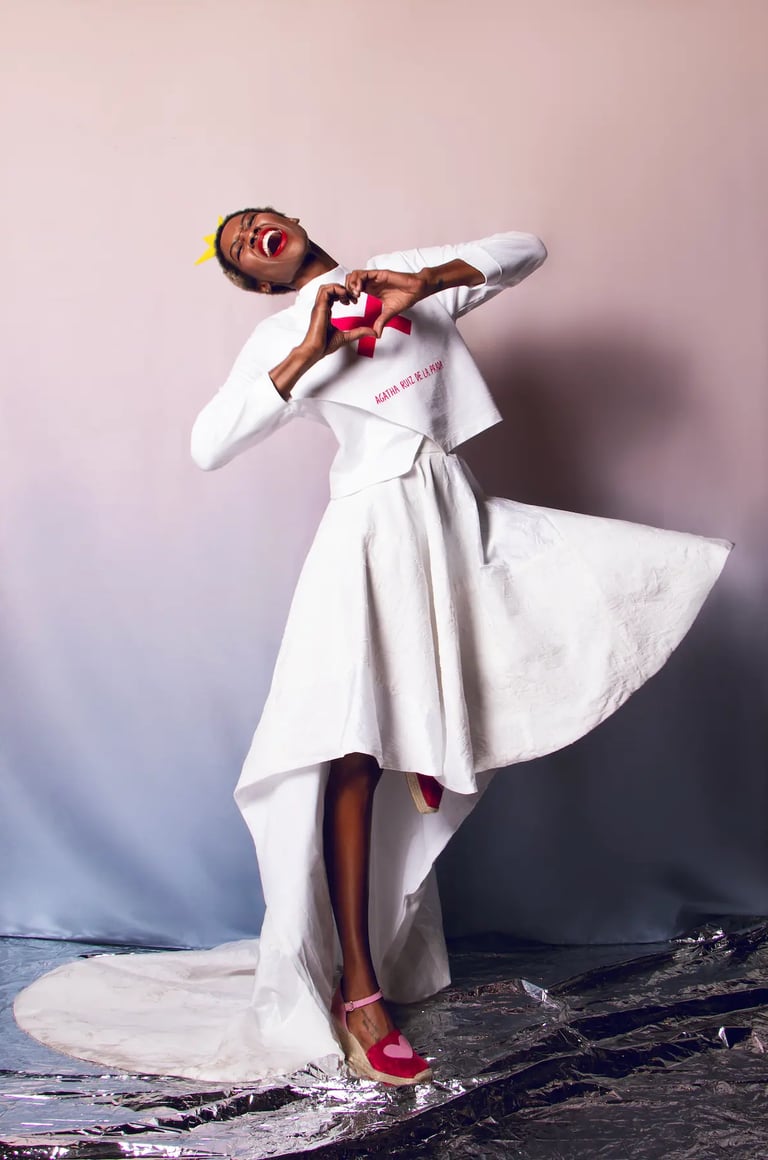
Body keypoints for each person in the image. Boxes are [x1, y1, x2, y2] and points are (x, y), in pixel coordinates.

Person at [13, 207, 732, 1087]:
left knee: (567, 599)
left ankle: (435, 744)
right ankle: (360, 989)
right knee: (349, 748)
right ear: (253, 282)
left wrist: (427, 285)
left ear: (291, 223)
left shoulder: (403, 272)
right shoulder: (281, 334)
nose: (253, 234)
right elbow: (208, 445)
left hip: (449, 515)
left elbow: (527, 248)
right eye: (238, 247)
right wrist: (308, 349)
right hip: (369, 528)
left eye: (257, 220)